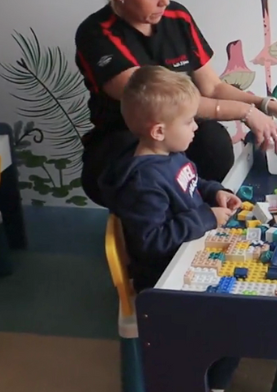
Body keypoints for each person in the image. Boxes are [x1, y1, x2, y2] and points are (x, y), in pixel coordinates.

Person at [75, 0, 277, 207]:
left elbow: (212, 87)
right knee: (154, 175)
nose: (164, 1)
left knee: (213, 142)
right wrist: (246, 113)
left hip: (176, 131)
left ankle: (202, 216)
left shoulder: (177, 17)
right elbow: (159, 103)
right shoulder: (96, 34)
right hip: (126, 142)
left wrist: (267, 105)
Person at [100, 65, 241, 392]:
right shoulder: (143, 183)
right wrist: (206, 217)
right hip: (164, 280)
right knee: (236, 322)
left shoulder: (172, 155)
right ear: (159, 131)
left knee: (238, 317)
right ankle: (208, 383)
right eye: (189, 121)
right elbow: (152, 241)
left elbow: (192, 183)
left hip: (185, 256)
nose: (196, 126)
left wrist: (214, 191)